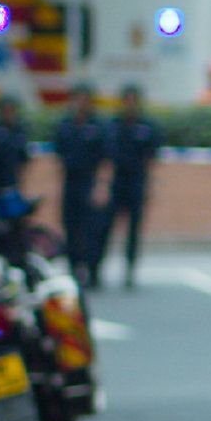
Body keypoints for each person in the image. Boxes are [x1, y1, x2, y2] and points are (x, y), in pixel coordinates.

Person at [99, 85, 163, 290]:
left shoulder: (147, 126)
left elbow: (152, 158)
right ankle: (96, 269)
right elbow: (105, 158)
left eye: (133, 100)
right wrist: (102, 184)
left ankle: (129, 270)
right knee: (105, 227)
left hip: (137, 180)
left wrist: (152, 185)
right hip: (117, 181)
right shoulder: (113, 125)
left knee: (133, 230)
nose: (130, 104)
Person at [52, 84, 111, 289]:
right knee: (70, 226)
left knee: (92, 230)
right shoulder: (66, 125)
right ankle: (73, 267)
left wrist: (101, 186)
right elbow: (59, 157)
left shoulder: (98, 126)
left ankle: (93, 269)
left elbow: (106, 159)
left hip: (90, 181)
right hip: (71, 182)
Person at [0, 96, 31, 193]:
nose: (8, 114)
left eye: (11, 111)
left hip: (14, 179)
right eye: (5, 111)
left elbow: (23, 157)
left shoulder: (20, 130)